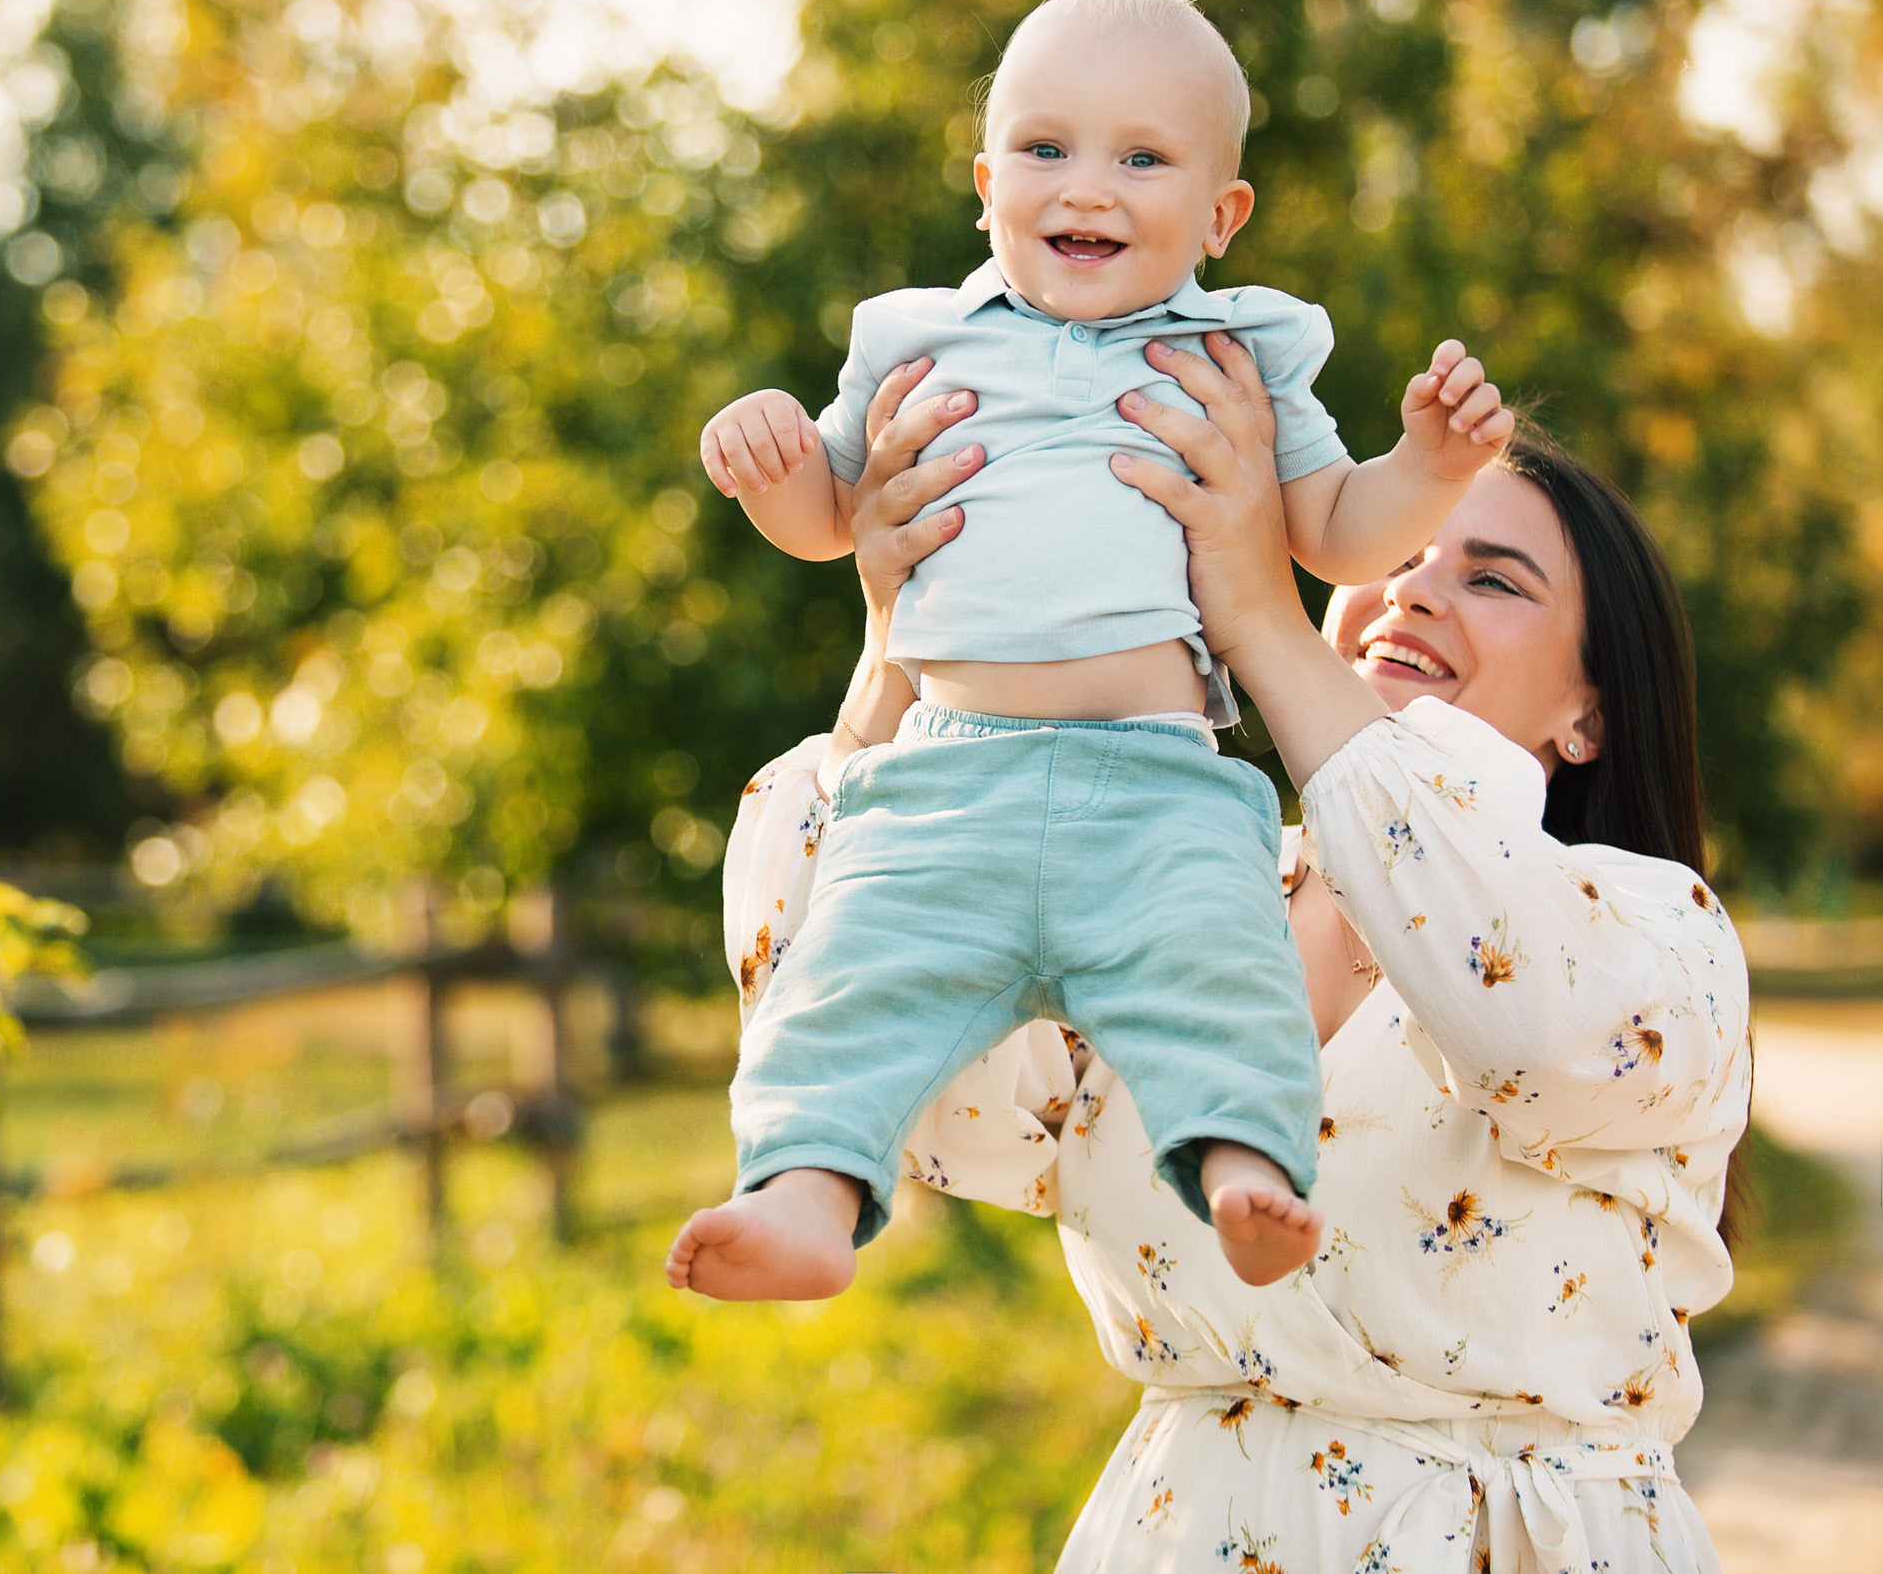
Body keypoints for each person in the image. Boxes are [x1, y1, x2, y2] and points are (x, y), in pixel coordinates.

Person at [717, 335, 1745, 1571]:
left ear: (1589, 710)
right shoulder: (1182, 893)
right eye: (1398, 553)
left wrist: (1256, 612)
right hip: (1182, 1530)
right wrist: (899, 637)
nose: (1413, 590)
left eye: (1493, 579)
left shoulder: (1649, 926)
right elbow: (934, 1106)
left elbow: (1513, 1014)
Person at [668, 0, 1514, 1296]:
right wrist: (771, 454)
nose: (1088, 188)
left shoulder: (1244, 351)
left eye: (1142, 156)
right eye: (1046, 148)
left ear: (1222, 213)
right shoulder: (916, 334)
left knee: (1221, 976)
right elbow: (836, 519)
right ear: (984, 178)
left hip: (1160, 780)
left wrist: (1430, 467)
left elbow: (1337, 531)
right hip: (943, 772)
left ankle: (1242, 1168)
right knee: (846, 985)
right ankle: (803, 1196)